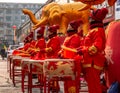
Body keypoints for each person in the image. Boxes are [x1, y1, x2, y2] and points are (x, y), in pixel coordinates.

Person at [77, 8, 108, 93]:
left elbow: (96, 48)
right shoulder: (93, 30)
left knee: (94, 86)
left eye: (90, 17)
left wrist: (83, 50)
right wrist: (82, 48)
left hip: (93, 63)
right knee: (93, 85)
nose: (89, 19)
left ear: (94, 18)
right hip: (89, 62)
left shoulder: (98, 31)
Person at [59, 20, 83, 93]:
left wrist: (63, 53)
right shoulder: (69, 37)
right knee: (66, 82)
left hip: (72, 63)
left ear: (73, 27)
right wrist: (60, 52)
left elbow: (72, 50)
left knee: (72, 83)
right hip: (66, 62)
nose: (68, 28)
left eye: (69, 26)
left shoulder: (75, 37)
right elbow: (64, 48)